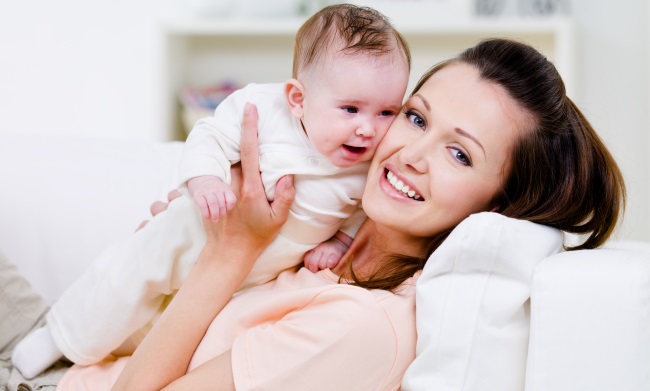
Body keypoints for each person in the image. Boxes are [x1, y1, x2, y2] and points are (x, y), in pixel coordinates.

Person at [51, 38, 624, 390]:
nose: (410, 154)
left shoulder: (361, 327)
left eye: (459, 153)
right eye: (417, 118)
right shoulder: (316, 230)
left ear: (497, 206)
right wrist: (184, 247)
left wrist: (227, 256)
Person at [11, 4, 411, 379]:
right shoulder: (261, 108)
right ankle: (61, 336)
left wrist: (341, 240)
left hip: (258, 272)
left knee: (169, 318)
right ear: (298, 99)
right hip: (201, 224)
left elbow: (363, 210)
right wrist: (206, 179)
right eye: (351, 109)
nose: (368, 128)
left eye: (386, 112)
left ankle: (104, 359)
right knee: (130, 274)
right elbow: (211, 136)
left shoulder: (371, 165)